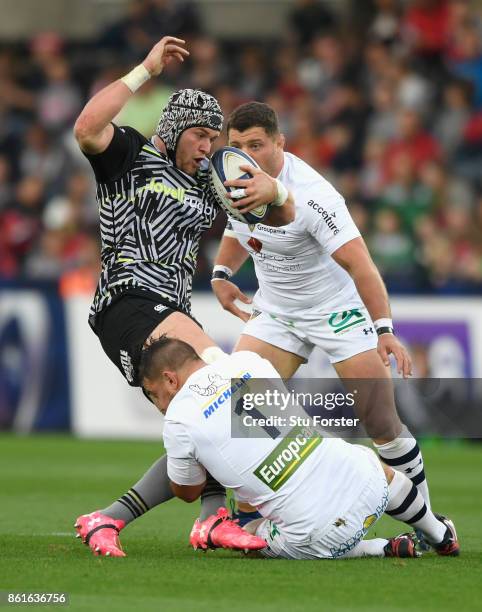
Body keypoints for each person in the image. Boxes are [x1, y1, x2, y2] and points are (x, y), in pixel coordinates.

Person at [73, 38, 294, 555]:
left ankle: (111, 518)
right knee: (221, 377)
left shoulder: (206, 186)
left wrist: (226, 266)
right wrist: (146, 69)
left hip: (168, 310)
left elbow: (269, 221)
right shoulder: (130, 155)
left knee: (203, 429)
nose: (205, 147)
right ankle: (217, 518)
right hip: (128, 298)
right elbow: (85, 128)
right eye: (198, 135)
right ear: (173, 131)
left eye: (212, 139)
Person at [141, 336, 459, 560]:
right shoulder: (247, 360)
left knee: (244, 530)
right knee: (369, 462)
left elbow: (186, 491)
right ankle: (437, 531)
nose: (159, 407)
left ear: (170, 379)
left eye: (155, 395)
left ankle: (376, 548)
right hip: (371, 487)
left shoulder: (179, 419)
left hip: (316, 534)